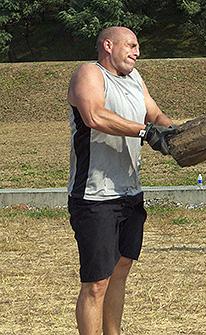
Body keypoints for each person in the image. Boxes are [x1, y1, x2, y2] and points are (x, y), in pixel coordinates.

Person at [67, 26, 177, 334]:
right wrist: (145, 132)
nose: (137, 52)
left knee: (120, 270)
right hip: (95, 195)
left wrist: (176, 133)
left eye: (137, 47)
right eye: (130, 45)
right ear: (107, 45)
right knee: (96, 283)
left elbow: (155, 115)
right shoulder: (89, 74)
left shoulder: (135, 78)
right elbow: (94, 115)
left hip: (130, 192)